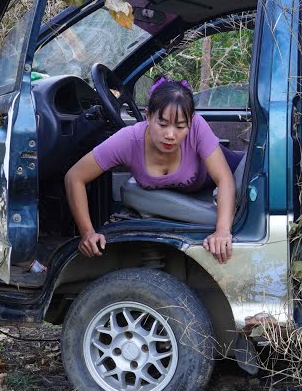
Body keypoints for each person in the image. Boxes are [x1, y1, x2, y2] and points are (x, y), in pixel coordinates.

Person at [64, 77, 236, 263]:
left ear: (190, 122)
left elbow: (225, 179)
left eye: (180, 126)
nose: (170, 135)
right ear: (148, 116)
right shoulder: (128, 140)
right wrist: (87, 233)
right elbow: (75, 177)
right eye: (162, 124)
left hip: (233, 169)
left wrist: (222, 230)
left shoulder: (197, 127)